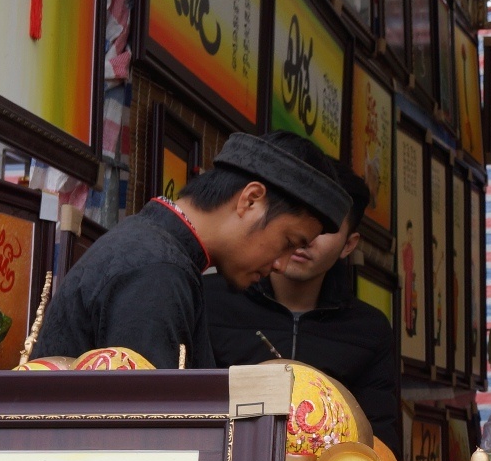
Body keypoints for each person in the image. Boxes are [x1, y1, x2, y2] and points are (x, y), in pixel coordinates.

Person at [33, 132, 346, 368]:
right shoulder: (156, 271)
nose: (281, 265)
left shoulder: (154, 249)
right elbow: (144, 432)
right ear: (250, 200)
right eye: (289, 242)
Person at [204, 168, 399, 442]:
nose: (306, 238)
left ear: (348, 245)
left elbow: (379, 445)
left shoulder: (369, 330)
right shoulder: (210, 299)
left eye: (324, 228)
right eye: (299, 218)